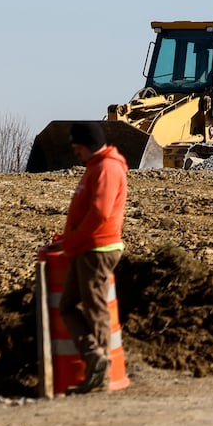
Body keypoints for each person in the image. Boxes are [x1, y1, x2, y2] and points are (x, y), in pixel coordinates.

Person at [58, 121, 128, 394]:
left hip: (97, 248)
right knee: (67, 305)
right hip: (85, 248)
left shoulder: (107, 168)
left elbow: (99, 212)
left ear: (87, 145)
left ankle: (101, 370)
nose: (75, 153)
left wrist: (74, 239)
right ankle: (94, 356)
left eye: (77, 148)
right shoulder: (95, 166)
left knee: (95, 307)